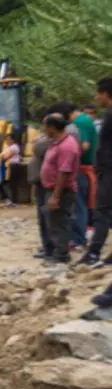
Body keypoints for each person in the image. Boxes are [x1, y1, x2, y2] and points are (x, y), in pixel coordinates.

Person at [39, 113, 81, 264]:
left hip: (61, 191)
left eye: (45, 127)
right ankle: (56, 252)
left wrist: (55, 196)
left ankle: (61, 255)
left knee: (58, 223)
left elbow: (64, 172)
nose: (44, 131)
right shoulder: (57, 142)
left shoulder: (67, 146)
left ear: (52, 128)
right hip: (52, 189)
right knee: (52, 221)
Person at [83, 78, 112, 267]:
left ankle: (93, 252)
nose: (96, 97)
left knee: (102, 211)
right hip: (106, 169)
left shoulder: (110, 115)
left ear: (106, 93)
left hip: (109, 170)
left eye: (98, 93)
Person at [70, 104, 98, 257]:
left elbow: (84, 145)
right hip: (86, 168)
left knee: (78, 205)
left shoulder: (80, 122)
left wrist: (69, 158)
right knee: (82, 205)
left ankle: (78, 239)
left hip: (81, 170)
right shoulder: (86, 121)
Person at [28, 128, 55, 259]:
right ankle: (48, 246)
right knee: (44, 216)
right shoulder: (49, 138)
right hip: (42, 181)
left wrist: (37, 141)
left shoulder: (53, 140)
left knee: (46, 216)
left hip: (47, 183)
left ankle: (51, 248)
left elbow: (38, 148)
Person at [0, 133, 21, 206]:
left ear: (13, 140)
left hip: (13, 166)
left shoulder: (15, 147)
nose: (8, 141)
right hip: (5, 167)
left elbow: (6, 157)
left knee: (13, 184)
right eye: (6, 139)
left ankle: (14, 202)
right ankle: (6, 198)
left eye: (9, 139)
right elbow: (2, 156)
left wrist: (0, 157)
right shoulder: (6, 147)